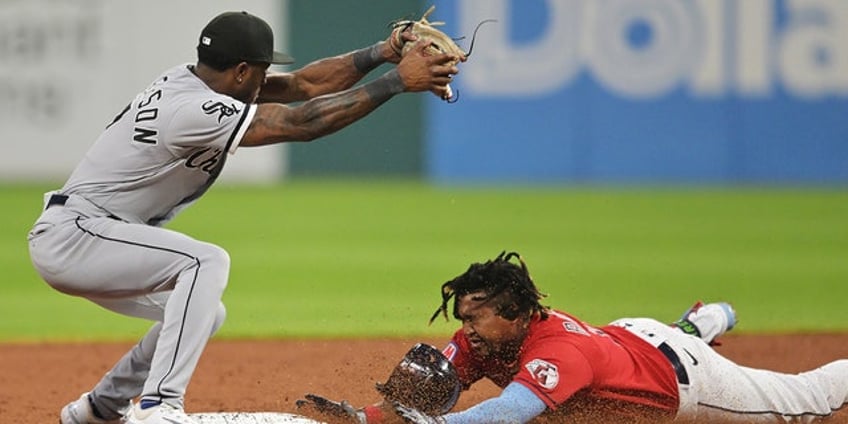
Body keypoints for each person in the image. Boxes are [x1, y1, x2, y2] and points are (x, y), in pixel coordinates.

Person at [27, 10, 461, 424]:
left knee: (202, 311)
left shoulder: (199, 81)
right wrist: (397, 81)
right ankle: (159, 406)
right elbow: (301, 123)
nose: (264, 77)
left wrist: (383, 51)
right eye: (259, 69)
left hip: (90, 234)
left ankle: (100, 407)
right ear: (239, 71)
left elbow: (304, 85)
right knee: (205, 262)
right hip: (79, 236)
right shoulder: (193, 111)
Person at [300, 252, 848, 424]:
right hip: (630, 336)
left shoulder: (558, 350)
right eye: (462, 316)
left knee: (805, 403)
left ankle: (698, 330)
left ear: (514, 314)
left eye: (476, 318)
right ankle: (698, 324)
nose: (464, 329)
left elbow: (512, 411)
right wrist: (366, 416)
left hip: (684, 381)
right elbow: (429, 394)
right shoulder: (481, 339)